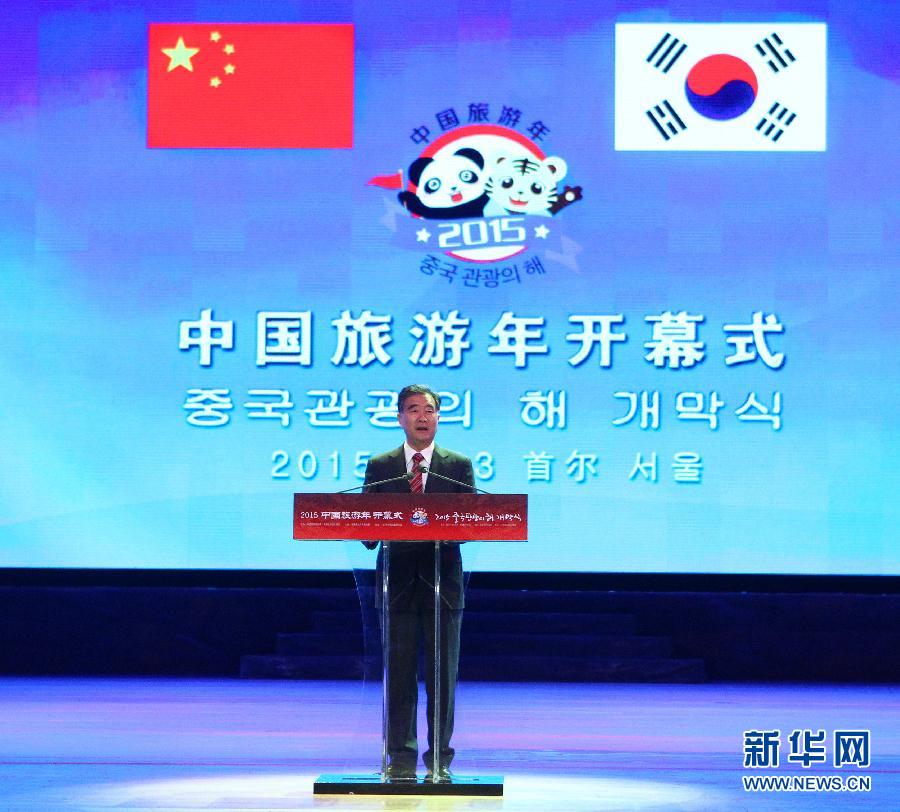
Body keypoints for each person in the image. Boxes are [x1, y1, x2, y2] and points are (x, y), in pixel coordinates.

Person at [363, 384, 475, 781]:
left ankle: (440, 759)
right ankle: (401, 759)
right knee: (399, 678)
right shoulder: (381, 466)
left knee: (442, 680)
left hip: (444, 586)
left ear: (438, 418)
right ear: (400, 418)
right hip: (396, 586)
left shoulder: (457, 465)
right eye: (413, 409)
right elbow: (367, 528)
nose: (422, 416)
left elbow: (470, 523)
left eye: (429, 410)